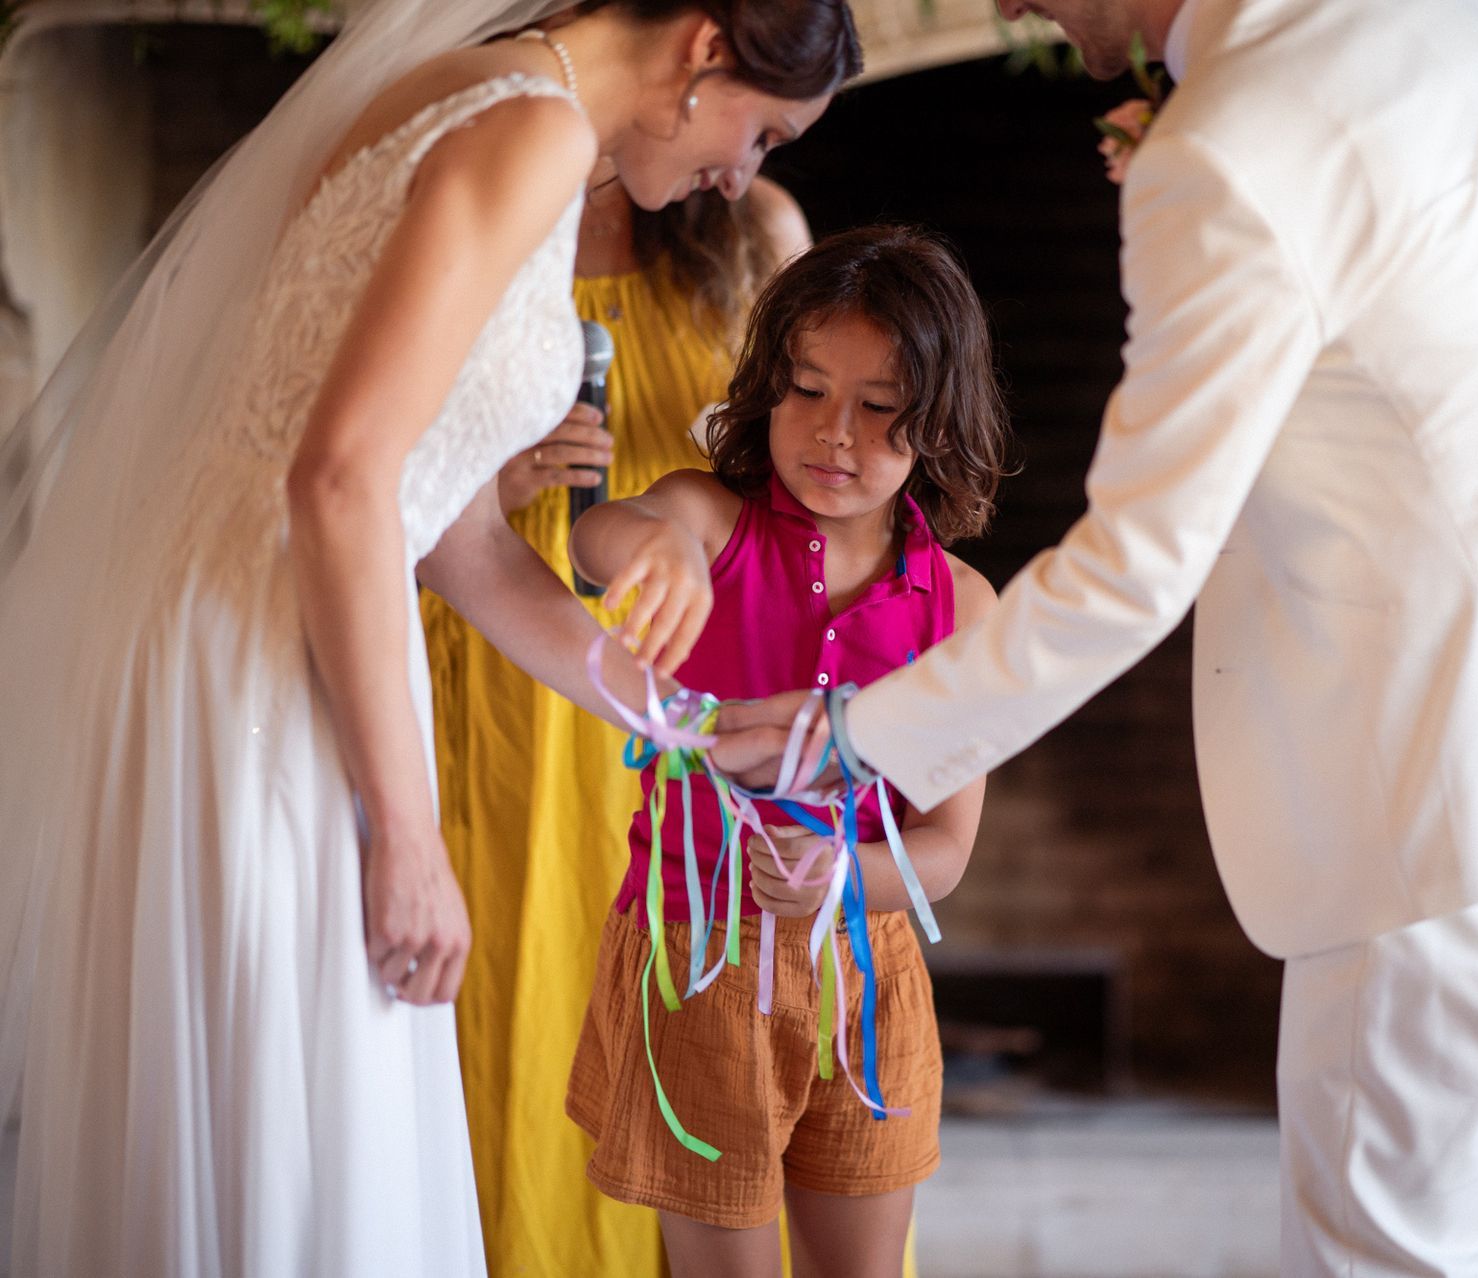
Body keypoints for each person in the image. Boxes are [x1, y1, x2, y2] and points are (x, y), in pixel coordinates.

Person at [706, 0, 1478, 1272]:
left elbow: (1134, 564)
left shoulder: (1226, 143)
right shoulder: (1471, 33)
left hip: (1446, 804)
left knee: (1389, 1256)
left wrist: (854, 733)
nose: (1013, 8)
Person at [0, 1, 858, 1272]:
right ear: (702, 48)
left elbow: (455, 537)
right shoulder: (528, 135)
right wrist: (409, 837)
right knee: (292, 1116)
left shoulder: (483, 102)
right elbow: (339, 484)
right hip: (264, 656)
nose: (748, 173)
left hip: (292, 627)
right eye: (764, 129)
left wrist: (684, 722)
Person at [565, 225, 1006, 1278]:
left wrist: (845, 878)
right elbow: (600, 542)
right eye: (806, 389)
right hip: (697, 966)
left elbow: (945, 848)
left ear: (938, 424)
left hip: (872, 974)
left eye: (879, 406)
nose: (832, 433)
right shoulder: (707, 524)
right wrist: (655, 544)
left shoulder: (966, 609)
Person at [422, 177, 808, 1277]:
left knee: (710, 1048)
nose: (745, 161)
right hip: (517, 702)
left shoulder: (755, 230)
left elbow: (822, 474)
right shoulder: (483, 211)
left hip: (698, 694)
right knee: (531, 1019)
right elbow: (371, 494)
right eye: (759, 122)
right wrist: (482, 479)